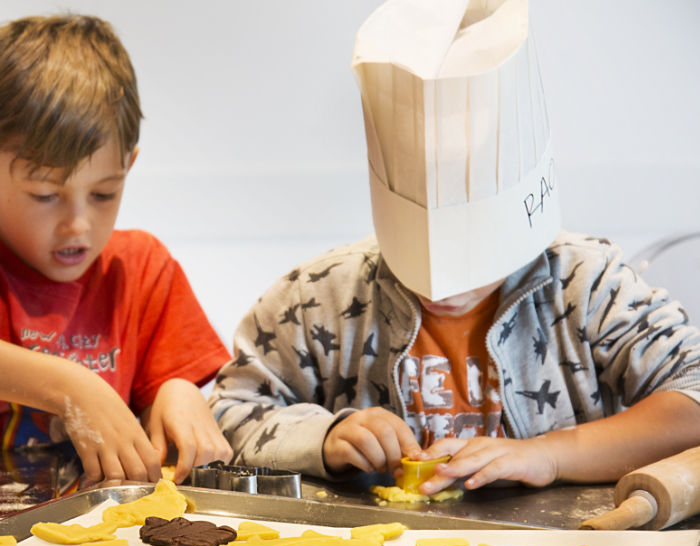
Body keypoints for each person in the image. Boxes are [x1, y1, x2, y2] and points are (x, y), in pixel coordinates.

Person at [209, 0, 700, 496]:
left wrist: (549, 453)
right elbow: (228, 411)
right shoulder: (320, 299)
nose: (444, 286)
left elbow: (693, 393)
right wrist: (324, 437)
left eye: (474, 259)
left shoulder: (586, 286)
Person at [0, 14, 233, 484]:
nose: (78, 223)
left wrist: (177, 392)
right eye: (45, 195)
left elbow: (168, 385)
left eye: (104, 193)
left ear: (129, 165)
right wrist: (69, 387)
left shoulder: (143, 270)